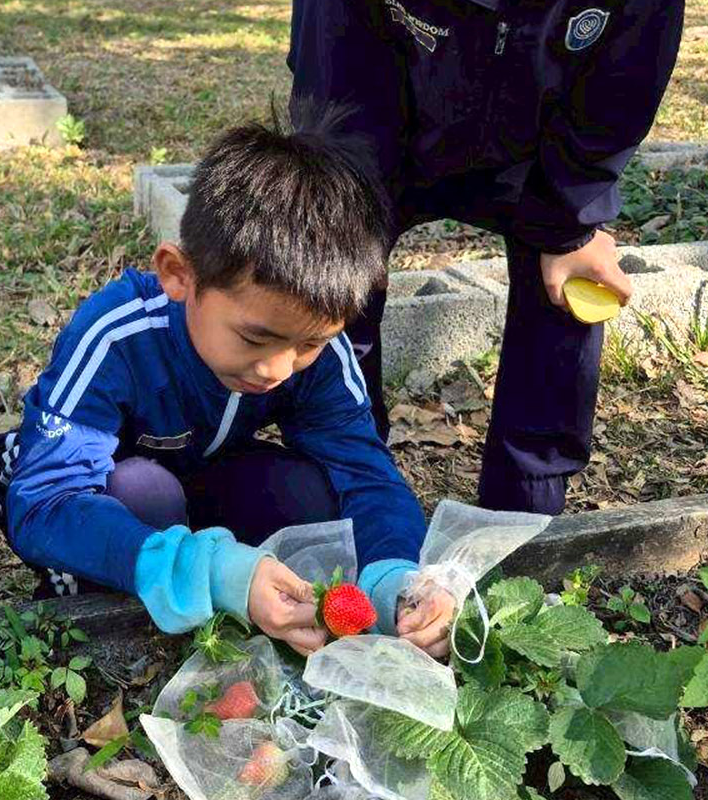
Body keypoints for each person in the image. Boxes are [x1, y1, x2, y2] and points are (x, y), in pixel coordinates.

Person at [0, 106, 455, 657]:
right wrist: (215, 572)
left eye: (307, 344)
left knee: (306, 495)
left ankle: (218, 577)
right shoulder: (118, 335)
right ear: (179, 275)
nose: (277, 369)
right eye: (255, 338)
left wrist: (397, 583)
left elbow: (365, 475)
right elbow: (45, 501)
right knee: (142, 493)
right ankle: (107, 603)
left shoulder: (320, 352)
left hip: (202, 474)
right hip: (100, 487)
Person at [288, 0, 684, 514]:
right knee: (335, 269)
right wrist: (350, 217)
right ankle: (347, 474)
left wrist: (568, 221)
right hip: (385, 118)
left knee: (570, 279)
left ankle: (526, 501)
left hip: (539, 141)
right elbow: (334, 81)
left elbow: (624, 85)